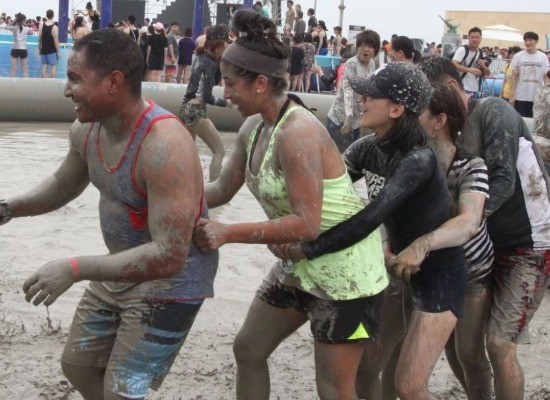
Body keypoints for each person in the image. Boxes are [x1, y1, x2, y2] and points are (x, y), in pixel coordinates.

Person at [0, 28, 218, 400]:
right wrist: (8, 209)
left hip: (173, 282)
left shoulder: (165, 146)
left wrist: (73, 268)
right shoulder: (86, 130)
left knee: (121, 390)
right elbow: (63, 184)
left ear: (114, 82)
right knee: (78, 365)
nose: (67, 91)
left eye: (75, 79)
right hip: (121, 268)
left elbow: (169, 254)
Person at [192, 9, 388, 400]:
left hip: (346, 275)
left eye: (230, 84)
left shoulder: (296, 132)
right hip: (300, 264)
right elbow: (219, 190)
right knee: (248, 348)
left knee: (333, 390)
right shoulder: (252, 127)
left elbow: (306, 223)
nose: (224, 92)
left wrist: (226, 233)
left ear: (261, 83)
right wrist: (162, 193)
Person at [280, 61, 467, 400]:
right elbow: (328, 189)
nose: (361, 99)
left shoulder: (418, 160)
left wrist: (309, 249)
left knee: (409, 387)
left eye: (371, 95)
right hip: (395, 269)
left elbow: (371, 216)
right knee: (368, 368)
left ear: (396, 109)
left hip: (439, 274)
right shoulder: (367, 148)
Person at [418, 55, 550, 400]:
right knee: (458, 343)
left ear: (449, 87)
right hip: (486, 244)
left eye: (426, 100)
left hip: (530, 243)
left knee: (499, 343)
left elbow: (504, 181)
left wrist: (462, 223)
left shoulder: (493, 111)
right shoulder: (446, 130)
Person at [381, 82, 494, 400]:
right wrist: (386, 246)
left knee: (468, 355)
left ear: (439, 121)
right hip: (418, 268)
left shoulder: (471, 166)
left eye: (416, 112)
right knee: (399, 353)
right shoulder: (407, 160)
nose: (405, 117)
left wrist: (422, 243)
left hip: (470, 272)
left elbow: (469, 222)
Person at [179, 25, 231, 182]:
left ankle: (184, 186)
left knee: (189, 153)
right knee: (219, 152)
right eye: (225, 45)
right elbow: (207, 97)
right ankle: (214, 191)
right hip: (196, 112)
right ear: (218, 44)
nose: (227, 48)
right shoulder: (210, 64)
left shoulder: (200, 56)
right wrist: (225, 103)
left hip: (185, 108)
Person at [326, 29, 379, 152]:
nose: (365, 49)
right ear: (357, 47)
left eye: (370, 47)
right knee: (343, 158)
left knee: (355, 155)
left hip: (356, 120)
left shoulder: (371, 64)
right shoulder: (351, 63)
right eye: (363, 45)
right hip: (340, 119)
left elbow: (370, 89)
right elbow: (348, 90)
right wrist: (348, 117)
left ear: (375, 50)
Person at [509, 31, 550, 117]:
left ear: (536, 41)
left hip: (537, 97)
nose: (527, 43)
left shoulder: (543, 57)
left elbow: (546, 77)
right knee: (520, 120)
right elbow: (514, 77)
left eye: (530, 40)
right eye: (526, 40)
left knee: (535, 122)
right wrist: (512, 95)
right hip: (520, 97)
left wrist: (546, 94)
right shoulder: (518, 56)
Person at [452, 27, 490, 98]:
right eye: (472, 37)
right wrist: (470, 70)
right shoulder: (462, 50)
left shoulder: (481, 53)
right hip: (461, 88)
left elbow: (487, 73)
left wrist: (483, 66)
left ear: (481, 38)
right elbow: (453, 65)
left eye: (477, 37)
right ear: (468, 38)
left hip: (475, 89)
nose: (474, 39)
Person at [6, 13, 30, 78]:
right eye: (25, 20)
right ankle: (26, 86)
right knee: (24, 70)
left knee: (13, 69)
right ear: (23, 20)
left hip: (15, 49)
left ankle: (11, 86)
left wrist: (14, 21)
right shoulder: (27, 28)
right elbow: (31, 32)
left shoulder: (14, 28)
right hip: (23, 50)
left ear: (17, 20)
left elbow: (6, 27)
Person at [39, 9, 60, 78]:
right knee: (53, 66)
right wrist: (58, 52)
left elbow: (40, 38)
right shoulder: (55, 27)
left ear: (46, 15)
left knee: (44, 66)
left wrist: (39, 48)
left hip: (44, 49)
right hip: (52, 50)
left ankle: (45, 82)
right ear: (53, 16)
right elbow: (55, 41)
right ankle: (52, 83)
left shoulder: (41, 25)